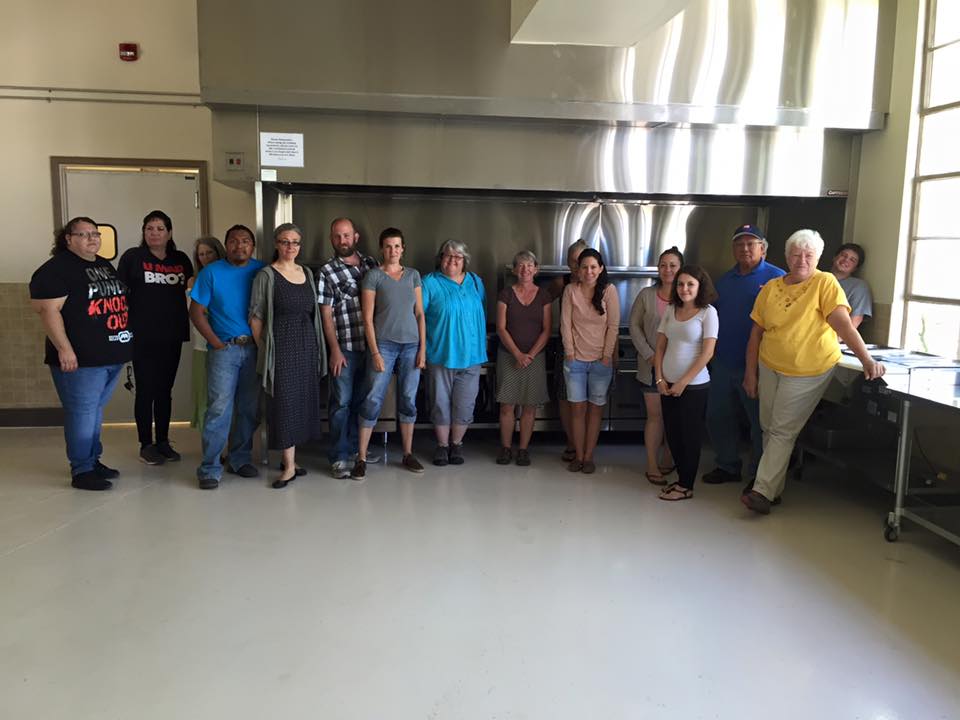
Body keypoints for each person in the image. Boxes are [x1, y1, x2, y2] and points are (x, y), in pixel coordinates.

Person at [741, 229, 885, 514]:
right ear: (786, 256)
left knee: (782, 430)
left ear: (818, 257)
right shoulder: (771, 288)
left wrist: (866, 360)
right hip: (770, 365)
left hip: (809, 369)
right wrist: (751, 373)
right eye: (796, 254)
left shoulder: (825, 283)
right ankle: (773, 488)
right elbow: (755, 334)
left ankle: (762, 491)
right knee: (769, 426)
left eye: (809, 255)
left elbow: (843, 325)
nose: (802, 260)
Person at [29, 217, 133, 490]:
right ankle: (82, 469)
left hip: (109, 355)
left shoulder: (101, 264)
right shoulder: (55, 270)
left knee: (94, 412)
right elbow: (47, 311)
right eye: (84, 234)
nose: (92, 239)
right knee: (82, 413)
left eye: (95, 234)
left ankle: (92, 460)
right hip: (81, 359)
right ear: (68, 239)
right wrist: (65, 349)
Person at [703, 224, 785, 486]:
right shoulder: (725, 281)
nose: (745, 249)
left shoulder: (779, 279)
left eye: (751, 244)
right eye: (740, 244)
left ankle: (759, 476)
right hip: (723, 363)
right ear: (733, 249)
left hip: (760, 366)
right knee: (717, 416)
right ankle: (727, 465)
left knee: (759, 423)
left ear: (763, 247)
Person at [249, 223, 327, 489]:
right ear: (276, 244)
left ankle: (290, 460)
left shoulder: (306, 272)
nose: (290, 247)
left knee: (301, 402)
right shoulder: (267, 275)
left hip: (306, 345)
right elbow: (256, 316)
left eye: (295, 242)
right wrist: (265, 349)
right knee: (283, 403)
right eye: (285, 241)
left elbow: (312, 312)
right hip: (281, 347)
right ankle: (289, 467)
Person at [189, 224, 266, 490]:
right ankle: (210, 467)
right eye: (234, 241)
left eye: (245, 241)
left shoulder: (262, 270)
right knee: (219, 409)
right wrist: (215, 343)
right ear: (227, 245)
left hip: (254, 349)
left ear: (252, 246)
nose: (239, 246)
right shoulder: (212, 273)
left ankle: (239, 458)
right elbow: (196, 311)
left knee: (248, 408)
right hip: (225, 351)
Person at [117, 210, 193, 465]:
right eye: (150, 228)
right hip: (143, 335)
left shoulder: (180, 259)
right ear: (143, 232)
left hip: (172, 335)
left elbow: (194, 287)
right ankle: (145, 444)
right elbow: (120, 295)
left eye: (160, 228)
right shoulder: (133, 258)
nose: (155, 233)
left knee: (164, 390)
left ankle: (163, 440)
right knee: (146, 390)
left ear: (169, 233)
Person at [351, 228, 427, 480]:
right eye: (388, 246)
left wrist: (422, 349)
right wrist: (375, 352)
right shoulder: (373, 276)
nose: (393, 251)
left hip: (411, 346)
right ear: (381, 249)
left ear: (403, 248)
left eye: (397, 246)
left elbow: (419, 314)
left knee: (408, 398)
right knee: (373, 398)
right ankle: (361, 457)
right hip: (384, 345)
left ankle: (407, 453)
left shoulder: (413, 275)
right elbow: (368, 319)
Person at [317, 218, 379, 479]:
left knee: (361, 401)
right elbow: (326, 314)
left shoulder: (372, 265)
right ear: (332, 239)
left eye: (346, 236)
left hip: (374, 347)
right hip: (346, 348)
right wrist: (335, 349)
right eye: (337, 236)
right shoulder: (327, 271)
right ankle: (340, 456)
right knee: (341, 402)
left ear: (356, 237)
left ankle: (357, 451)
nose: (342, 241)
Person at [653, 266, 719, 501]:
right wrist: (659, 378)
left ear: (700, 286)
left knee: (689, 436)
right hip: (667, 384)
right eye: (680, 284)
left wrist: (683, 382)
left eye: (690, 284)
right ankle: (681, 479)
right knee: (673, 435)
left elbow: (707, 353)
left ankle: (686, 485)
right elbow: (660, 346)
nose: (684, 289)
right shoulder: (671, 309)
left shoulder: (707, 312)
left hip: (694, 386)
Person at [421, 239, 488, 466]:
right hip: (440, 353)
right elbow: (418, 318)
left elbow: (481, 311)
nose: (452, 260)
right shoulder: (429, 283)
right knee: (440, 402)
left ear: (464, 261)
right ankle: (441, 446)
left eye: (457, 257)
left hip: (472, 355)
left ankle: (456, 444)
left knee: (465, 403)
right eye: (447, 256)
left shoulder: (476, 282)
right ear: (440, 258)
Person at [560, 248, 620, 473]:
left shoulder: (609, 291)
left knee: (595, 410)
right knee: (577, 410)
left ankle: (588, 456)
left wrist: (606, 356)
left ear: (601, 269)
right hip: (574, 360)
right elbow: (565, 323)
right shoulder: (570, 291)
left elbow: (613, 325)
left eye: (593, 267)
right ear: (578, 269)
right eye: (584, 267)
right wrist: (570, 352)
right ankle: (577, 453)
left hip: (600, 362)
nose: (589, 271)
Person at [628, 246, 682, 485]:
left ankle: (669, 457)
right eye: (663, 265)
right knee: (655, 416)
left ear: (680, 268)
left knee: (675, 416)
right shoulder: (646, 295)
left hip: (680, 367)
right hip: (651, 365)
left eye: (672, 265)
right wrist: (650, 355)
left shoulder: (688, 294)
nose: (667, 269)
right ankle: (652, 464)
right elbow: (634, 326)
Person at [495, 250, 551, 466]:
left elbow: (546, 330)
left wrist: (530, 355)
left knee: (529, 406)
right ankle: (506, 448)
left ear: (536, 269)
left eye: (529, 265)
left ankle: (523, 449)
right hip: (509, 356)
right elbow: (500, 327)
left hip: (534, 358)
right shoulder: (506, 294)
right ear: (515, 269)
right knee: (507, 406)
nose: (525, 269)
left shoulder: (544, 295)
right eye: (520, 265)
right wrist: (518, 354)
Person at [548, 239, 589, 462]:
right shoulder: (560, 284)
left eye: (581, 260)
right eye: (573, 261)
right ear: (567, 263)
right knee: (565, 398)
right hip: (566, 349)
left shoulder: (600, 285)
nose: (577, 266)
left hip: (593, 350)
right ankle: (572, 443)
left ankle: (586, 446)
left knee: (588, 400)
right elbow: (539, 303)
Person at [186, 236, 226, 432]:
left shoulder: (228, 276)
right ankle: (210, 448)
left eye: (209, 252)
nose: (205, 258)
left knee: (224, 399)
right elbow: (197, 313)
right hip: (203, 346)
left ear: (218, 253)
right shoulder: (194, 281)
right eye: (201, 254)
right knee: (205, 397)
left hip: (227, 345)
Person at [830, 243, 873, 330]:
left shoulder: (859, 287)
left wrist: (829, 343)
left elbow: (852, 325)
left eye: (852, 260)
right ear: (834, 257)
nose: (846, 260)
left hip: (832, 341)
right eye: (843, 255)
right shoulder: (818, 279)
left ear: (855, 268)